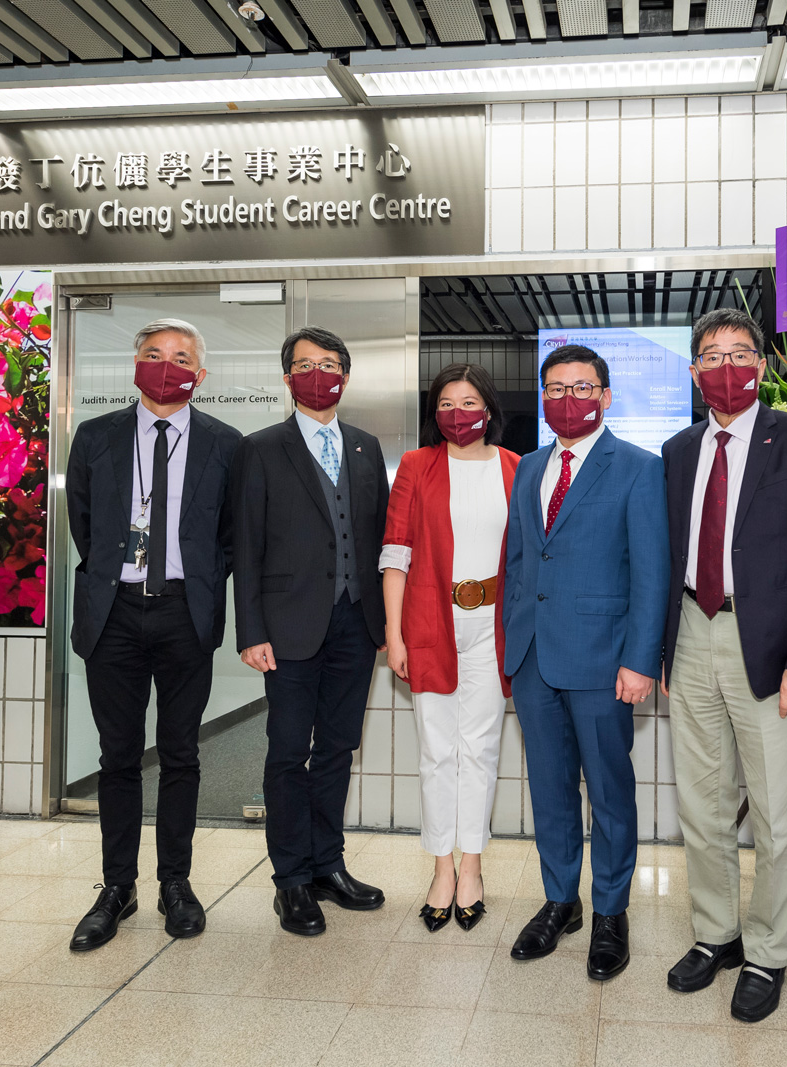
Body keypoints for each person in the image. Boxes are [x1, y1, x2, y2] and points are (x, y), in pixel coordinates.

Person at [660, 308, 787, 1023]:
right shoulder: (679, 450)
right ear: (694, 371)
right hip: (692, 631)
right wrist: (662, 650)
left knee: (772, 813)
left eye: (740, 353)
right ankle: (716, 935)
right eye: (712, 355)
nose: (726, 366)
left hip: (769, 649)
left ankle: (768, 950)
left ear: (762, 367)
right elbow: (667, 554)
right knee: (701, 807)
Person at [64, 318, 243, 952]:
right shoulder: (95, 437)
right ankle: (117, 887)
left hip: (182, 614)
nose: (165, 365)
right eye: (152, 354)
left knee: (180, 754)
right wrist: (123, 574)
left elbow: (229, 538)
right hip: (112, 613)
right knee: (117, 757)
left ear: (201, 374)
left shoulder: (226, 444)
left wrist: (185, 583)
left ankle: (176, 883)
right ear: (135, 364)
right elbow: (84, 526)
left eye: (180, 357)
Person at [503, 344, 669, 981]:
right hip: (534, 656)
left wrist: (639, 660)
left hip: (604, 661)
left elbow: (651, 575)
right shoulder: (528, 468)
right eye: (555, 388)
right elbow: (521, 563)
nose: (567, 399)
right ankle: (560, 901)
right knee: (548, 790)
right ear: (543, 397)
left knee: (609, 791)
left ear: (605, 396)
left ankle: (610, 912)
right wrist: (510, 647)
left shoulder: (637, 468)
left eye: (581, 388)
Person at [232, 326, 391, 937]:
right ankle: (290, 879)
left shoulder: (364, 445)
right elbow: (245, 545)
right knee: (286, 753)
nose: (317, 373)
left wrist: (385, 623)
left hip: (356, 623)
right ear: (287, 379)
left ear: (345, 378)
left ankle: (328, 864)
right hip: (288, 627)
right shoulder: (261, 448)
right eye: (305, 365)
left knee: (336, 749)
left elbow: (374, 536)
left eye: (328, 364)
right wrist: (250, 628)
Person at [380, 363, 520, 932]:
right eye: (446, 404)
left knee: (480, 749)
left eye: (468, 403)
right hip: (431, 620)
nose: (457, 414)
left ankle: (473, 868)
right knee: (438, 750)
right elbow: (396, 553)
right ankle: (442, 867)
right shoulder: (416, 466)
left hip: (496, 624)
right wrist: (394, 633)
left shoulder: (517, 467)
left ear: (488, 408)